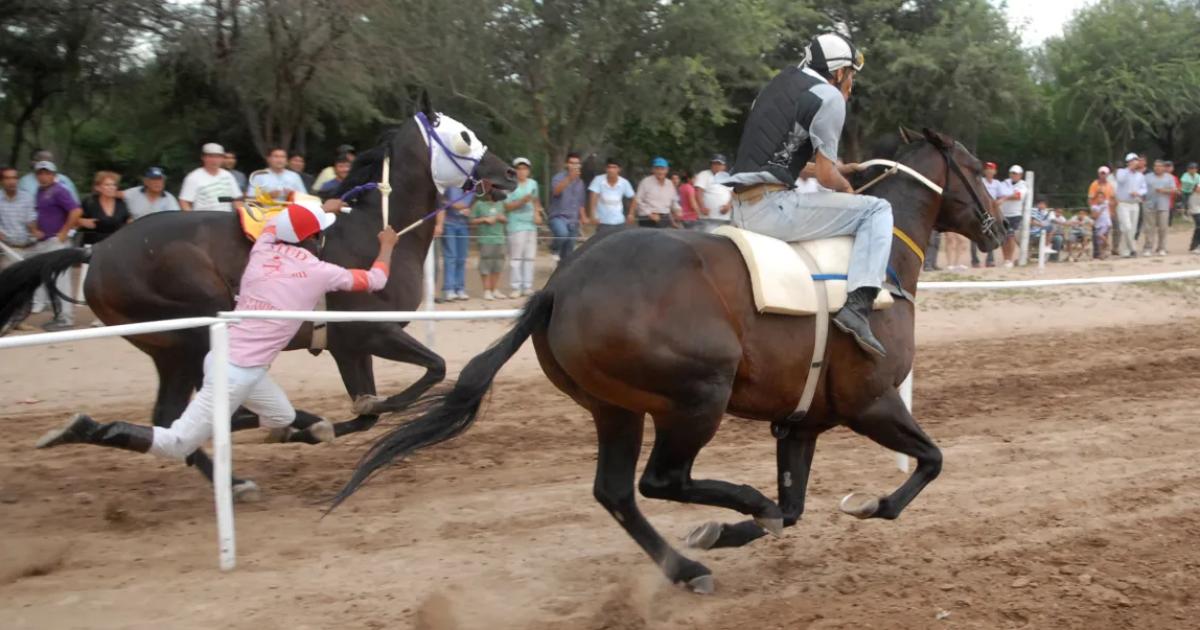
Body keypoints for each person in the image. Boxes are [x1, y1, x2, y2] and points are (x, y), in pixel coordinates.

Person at [36, 201, 399, 462]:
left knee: (283, 417)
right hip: (234, 374)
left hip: (234, 361)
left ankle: (222, 418)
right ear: (313, 237)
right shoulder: (320, 271)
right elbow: (377, 278)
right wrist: (386, 247)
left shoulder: (262, 248)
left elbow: (273, 225)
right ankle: (90, 429)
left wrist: (315, 208)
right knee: (174, 445)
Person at [725, 32, 890, 356]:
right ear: (839, 72)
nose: (851, 84)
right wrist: (847, 190)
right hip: (772, 210)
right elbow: (828, 179)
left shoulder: (776, 87)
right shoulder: (829, 97)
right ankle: (857, 307)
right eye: (851, 75)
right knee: (876, 209)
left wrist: (840, 169)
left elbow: (782, 162)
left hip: (740, 207)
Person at [28, 161, 83, 330]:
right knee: (50, 280)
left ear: (53, 175)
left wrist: (64, 232)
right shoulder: (39, 191)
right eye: (40, 173)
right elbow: (40, 213)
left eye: (47, 173)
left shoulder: (60, 190)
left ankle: (66, 319)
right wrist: (36, 229)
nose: (44, 176)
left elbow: (76, 211)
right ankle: (59, 315)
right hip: (45, 241)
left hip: (56, 241)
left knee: (61, 280)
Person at [503, 157, 541, 297]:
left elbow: (536, 201)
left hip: (530, 224)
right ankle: (516, 286)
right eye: (519, 168)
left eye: (524, 168)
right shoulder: (510, 185)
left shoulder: (533, 184)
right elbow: (506, 206)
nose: (522, 171)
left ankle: (527, 286)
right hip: (516, 224)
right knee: (516, 257)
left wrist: (537, 214)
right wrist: (521, 202)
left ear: (528, 170)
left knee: (529, 256)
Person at [180, 143, 243, 212]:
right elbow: (184, 202)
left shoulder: (228, 176)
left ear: (222, 158)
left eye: (218, 157)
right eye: (210, 156)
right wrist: (192, 219)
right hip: (203, 220)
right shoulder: (193, 177)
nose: (214, 160)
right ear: (203, 157)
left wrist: (241, 215)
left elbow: (237, 199)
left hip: (227, 218)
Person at [548, 152, 587, 263]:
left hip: (573, 220)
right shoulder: (558, 177)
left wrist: (583, 216)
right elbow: (556, 191)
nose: (574, 165)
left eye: (577, 163)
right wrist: (569, 178)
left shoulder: (580, 182)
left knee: (568, 254)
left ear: (580, 165)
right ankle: (553, 248)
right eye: (571, 163)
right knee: (562, 234)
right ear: (566, 164)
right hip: (558, 217)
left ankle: (561, 271)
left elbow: (581, 202)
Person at [433, 188, 471, 301]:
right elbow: (441, 201)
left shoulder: (472, 189)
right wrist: (454, 204)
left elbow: (468, 205)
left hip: (463, 224)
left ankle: (460, 288)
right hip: (449, 223)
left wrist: (468, 210)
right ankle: (448, 289)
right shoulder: (450, 185)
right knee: (450, 257)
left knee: (462, 258)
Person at [78, 171, 131, 246]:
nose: (111, 187)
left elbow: (128, 222)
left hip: (116, 245)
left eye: (114, 185)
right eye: (107, 185)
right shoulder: (89, 202)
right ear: (98, 187)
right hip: (92, 245)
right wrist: (81, 221)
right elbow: (73, 221)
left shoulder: (121, 203)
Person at [470, 194, 507, 300]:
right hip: (485, 239)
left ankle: (494, 289)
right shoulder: (479, 204)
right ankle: (486, 290)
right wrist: (484, 219)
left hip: (500, 239)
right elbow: (471, 220)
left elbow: (506, 219)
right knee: (485, 264)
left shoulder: (501, 204)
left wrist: (502, 218)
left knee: (498, 264)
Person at [587, 158, 636, 238]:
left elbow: (634, 198)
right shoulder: (598, 180)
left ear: (619, 169)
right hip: (603, 222)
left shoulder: (624, 182)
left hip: (619, 222)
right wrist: (593, 215)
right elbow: (593, 197)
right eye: (609, 167)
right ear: (605, 169)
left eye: (614, 167)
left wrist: (631, 214)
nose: (611, 170)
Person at [0, 165, 37, 270]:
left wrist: (34, 230)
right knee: (10, 280)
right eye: (7, 178)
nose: (11, 181)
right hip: (9, 250)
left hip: (30, 248)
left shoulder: (27, 197)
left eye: (14, 178)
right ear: (2, 181)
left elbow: (31, 220)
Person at [994, 165, 1028, 268]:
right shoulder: (1005, 182)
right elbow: (999, 194)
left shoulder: (1023, 185)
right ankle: (1006, 259)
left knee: (1011, 236)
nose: (1013, 175)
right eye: (1012, 173)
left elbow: (1018, 196)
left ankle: (1010, 259)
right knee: (1003, 237)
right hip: (1003, 213)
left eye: (1016, 173)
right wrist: (1007, 196)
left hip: (1015, 214)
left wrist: (1004, 198)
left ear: (1020, 175)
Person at [1114, 153, 1146, 257]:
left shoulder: (1140, 175)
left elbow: (1144, 188)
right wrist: (1129, 169)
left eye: (1135, 160)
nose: (1134, 162)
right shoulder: (1121, 172)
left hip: (1135, 204)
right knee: (1126, 227)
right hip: (1123, 203)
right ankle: (1133, 248)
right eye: (1132, 161)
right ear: (1128, 162)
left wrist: (1138, 193)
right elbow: (1121, 180)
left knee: (1132, 229)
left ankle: (1125, 252)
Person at [631, 157, 678, 228]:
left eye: (662, 169)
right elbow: (638, 200)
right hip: (647, 219)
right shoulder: (645, 182)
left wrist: (678, 210)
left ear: (667, 170)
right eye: (657, 169)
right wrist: (649, 213)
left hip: (664, 218)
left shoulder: (670, 184)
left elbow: (674, 201)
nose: (660, 171)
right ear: (653, 170)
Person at [972, 161, 1004, 267]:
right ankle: (975, 259)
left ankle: (990, 259)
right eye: (988, 169)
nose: (989, 171)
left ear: (994, 171)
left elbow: (1001, 196)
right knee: (975, 233)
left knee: (991, 233)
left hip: (991, 210)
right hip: (980, 209)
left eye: (991, 169)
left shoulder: (997, 184)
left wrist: (999, 202)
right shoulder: (980, 181)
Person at [1141, 159, 1175, 256]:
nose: (1157, 168)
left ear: (1164, 167)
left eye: (1160, 166)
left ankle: (1162, 248)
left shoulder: (1169, 178)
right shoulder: (1147, 177)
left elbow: (1174, 190)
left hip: (1163, 206)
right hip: (1149, 205)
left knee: (1163, 228)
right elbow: (1141, 189)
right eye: (1156, 166)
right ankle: (1148, 248)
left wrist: (1164, 190)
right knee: (1149, 228)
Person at [693, 154, 733, 233]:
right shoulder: (704, 174)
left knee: (722, 240)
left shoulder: (728, 177)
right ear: (711, 165)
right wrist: (702, 207)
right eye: (714, 163)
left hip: (724, 217)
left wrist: (729, 205)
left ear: (724, 166)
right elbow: (699, 192)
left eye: (719, 164)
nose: (716, 166)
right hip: (707, 217)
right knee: (706, 240)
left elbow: (733, 193)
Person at [1087, 166, 1117, 258]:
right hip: (1096, 211)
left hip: (1106, 213)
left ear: (1107, 175)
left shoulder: (1110, 186)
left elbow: (1112, 199)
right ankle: (1097, 252)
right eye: (1101, 173)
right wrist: (1092, 209)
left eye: (1105, 174)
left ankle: (1103, 252)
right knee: (1096, 233)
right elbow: (1090, 198)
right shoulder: (1094, 184)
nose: (1103, 175)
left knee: (1105, 233)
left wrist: (1112, 211)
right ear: (1099, 174)